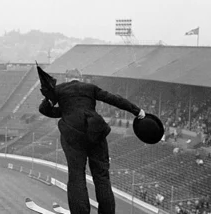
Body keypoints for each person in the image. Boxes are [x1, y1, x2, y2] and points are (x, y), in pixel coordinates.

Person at [39, 69, 145, 214]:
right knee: (101, 176)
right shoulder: (89, 88)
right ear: (80, 78)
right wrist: (137, 111)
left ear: (66, 77)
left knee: (76, 175)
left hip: (72, 134)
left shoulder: (58, 90)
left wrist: (63, 110)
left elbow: (43, 109)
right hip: (95, 130)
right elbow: (114, 99)